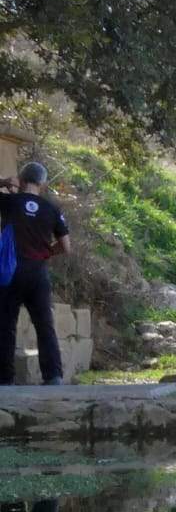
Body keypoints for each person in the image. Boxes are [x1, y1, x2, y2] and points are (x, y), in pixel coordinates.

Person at [0, 162, 71, 386]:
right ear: (42, 183)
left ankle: (4, 379)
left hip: (10, 272)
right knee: (44, 325)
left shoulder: (9, 202)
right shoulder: (52, 209)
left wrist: (2, 183)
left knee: (5, 324)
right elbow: (66, 246)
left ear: (21, 180)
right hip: (38, 273)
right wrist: (46, 252)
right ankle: (53, 376)